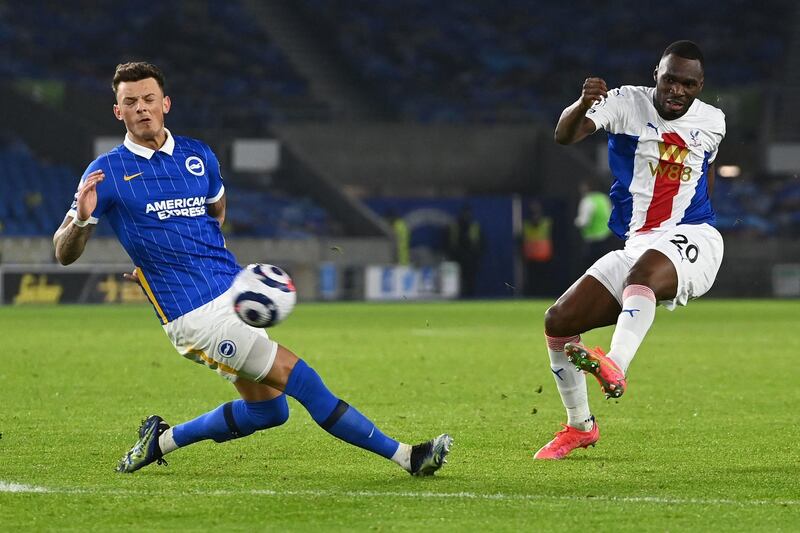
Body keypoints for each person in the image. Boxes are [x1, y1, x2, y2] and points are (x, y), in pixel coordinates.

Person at [53, 62, 452, 475]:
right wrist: (82, 220)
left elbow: (215, 213)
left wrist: (186, 251)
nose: (141, 108)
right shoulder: (108, 172)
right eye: (130, 101)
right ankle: (408, 456)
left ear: (165, 103)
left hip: (234, 294)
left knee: (268, 412)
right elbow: (63, 253)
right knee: (304, 381)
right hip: (195, 315)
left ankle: (160, 440)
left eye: (149, 98)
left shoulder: (198, 156)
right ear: (117, 111)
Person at [534, 41, 726, 459]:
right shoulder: (624, 102)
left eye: (688, 84)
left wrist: (697, 224)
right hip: (639, 242)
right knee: (559, 320)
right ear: (656, 72)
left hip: (695, 236)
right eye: (670, 79)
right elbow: (565, 135)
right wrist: (582, 104)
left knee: (642, 276)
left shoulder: (713, 121)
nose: (677, 90)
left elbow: (705, 174)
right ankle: (579, 426)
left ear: (700, 85)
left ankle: (615, 363)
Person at [574, 181, 613, 271]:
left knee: (591, 269)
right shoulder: (603, 198)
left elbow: (583, 221)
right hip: (606, 238)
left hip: (592, 240)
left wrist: (576, 223)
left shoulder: (587, 200)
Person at [449, 206, 482, 298]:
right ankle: (460, 296)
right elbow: (450, 243)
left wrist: (477, 256)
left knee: (470, 280)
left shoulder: (474, 226)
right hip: (459, 258)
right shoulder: (456, 227)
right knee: (459, 280)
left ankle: (470, 296)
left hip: (472, 259)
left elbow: (481, 243)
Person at [522, 199, 554, 297]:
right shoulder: (526, 224)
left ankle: (544, 295)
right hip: (531, 258)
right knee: (532, 281)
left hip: (544, 257)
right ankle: (531, 296)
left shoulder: (546, 222)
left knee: (544, 281)